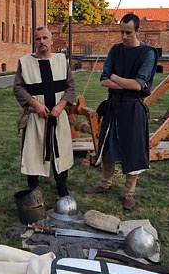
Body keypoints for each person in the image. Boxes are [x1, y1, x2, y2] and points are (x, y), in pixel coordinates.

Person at [85, 13, 157, 211]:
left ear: (137, 31)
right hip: (114, 105)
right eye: (122, 32)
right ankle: (105, 184)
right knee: (108, 146)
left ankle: (129, 194)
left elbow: (138, 85)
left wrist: (117, 78)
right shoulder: (115, 50)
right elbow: (103, 80)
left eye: (128, 32)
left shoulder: (148, 53)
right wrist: (125, 82)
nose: (124, 36)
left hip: (133, 108)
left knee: (132, 150)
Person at [13, 26, 76, 198]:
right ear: (35, 42)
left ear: (51, 40)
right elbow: (18, 88)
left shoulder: (62, 61)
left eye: (44, 38)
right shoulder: (25, 63)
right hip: (36, 118)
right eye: (38, 39)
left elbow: (70, 87)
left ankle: (61, 185)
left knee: (59, 151)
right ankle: (33, 188)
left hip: (57, 116)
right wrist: (35, 104)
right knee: (33, 152)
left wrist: (61, 105)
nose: (41, 42)